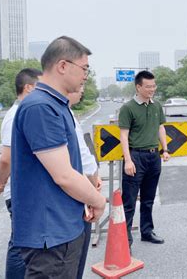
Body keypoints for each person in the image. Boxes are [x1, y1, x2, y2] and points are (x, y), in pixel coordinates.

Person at [11, 36, 107, 278]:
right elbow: (63, 175)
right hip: (50, 234)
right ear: (63, 66)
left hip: (62, 226)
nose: (86, 75)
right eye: (84, 68)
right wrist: (98, 200)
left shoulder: (55, 104)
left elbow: (72, 165)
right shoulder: (41, 107)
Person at [0, 68, 42, 279]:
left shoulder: (26, 111)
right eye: (42, 87)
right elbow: (6, 158)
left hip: (28, 190)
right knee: (20, 244)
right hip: (20, 193)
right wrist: (1, 182)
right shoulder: (16, 115)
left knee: (26, 244)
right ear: (28, 88)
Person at [119, 70, 170, 248]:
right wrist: (128, 160)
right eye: (148, 87)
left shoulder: (156, 106)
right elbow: (123, 136)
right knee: (130, 201)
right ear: (138, 87)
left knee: (148, 199)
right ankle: (125, 241)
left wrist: (165, 149)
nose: (152, 89)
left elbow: (160, 128)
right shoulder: (128, 108)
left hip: (153, 156)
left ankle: (147, 232)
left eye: (154, 86)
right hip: (136, 157)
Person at [67, 87, 102, 279]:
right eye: (80, 86)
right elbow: (85, 161)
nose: (82, 90)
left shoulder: (66, 112)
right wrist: (96, 198)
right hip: (74, 198)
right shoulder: (60, 113)